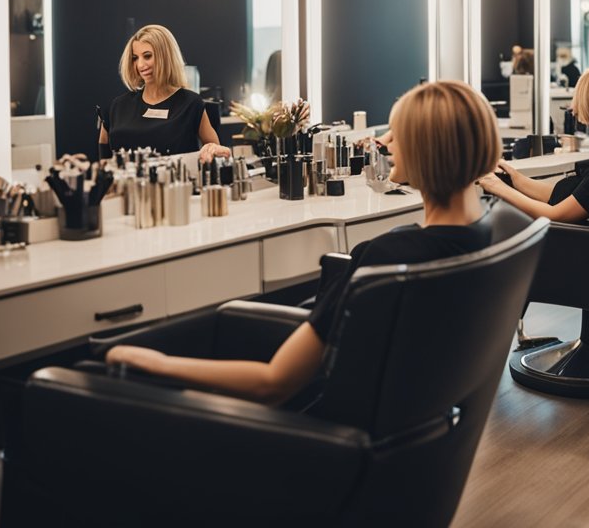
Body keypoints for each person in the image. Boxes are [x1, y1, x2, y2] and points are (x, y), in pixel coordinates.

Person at [105, 80, 503, 405]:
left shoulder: (386, 260)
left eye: (395, 136)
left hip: (311, 440)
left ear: (423, 153)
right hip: (396, 424)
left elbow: (272, 383)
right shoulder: (488, 235)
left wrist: (157, 363)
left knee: (112, 364)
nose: (383, 142)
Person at [479, 61, 589, 229]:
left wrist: (498, 188)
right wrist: (516, 179)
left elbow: (555, 214)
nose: (574, 107)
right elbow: (571, 197)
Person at [99, 24, 230, 163]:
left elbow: (216, 153)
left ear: (165, 56)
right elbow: (103, 149)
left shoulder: (191, 103)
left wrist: (212, 150)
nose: (141, 65)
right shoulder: (118, 106)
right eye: (135, 58)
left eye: (147, 56)